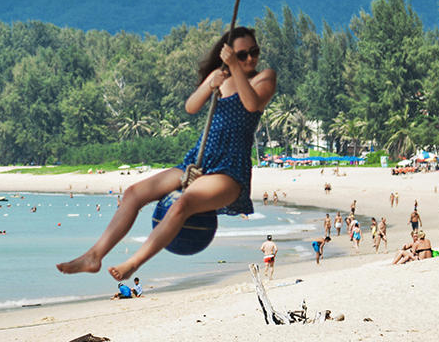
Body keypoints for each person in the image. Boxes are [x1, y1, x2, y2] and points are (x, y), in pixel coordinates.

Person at [57, 27, 276, 280]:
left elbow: (251, 104)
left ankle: (134, 263)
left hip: (229, 169)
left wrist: (234, 69)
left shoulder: (264, 78)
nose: (250, 59)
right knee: (133, 194)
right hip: (199, 160)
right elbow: (191, 107)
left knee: (183, 203)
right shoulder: (223, 76)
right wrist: (210, 82)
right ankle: (94, 255)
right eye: (242, 55)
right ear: (228, 55)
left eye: (254, 52)